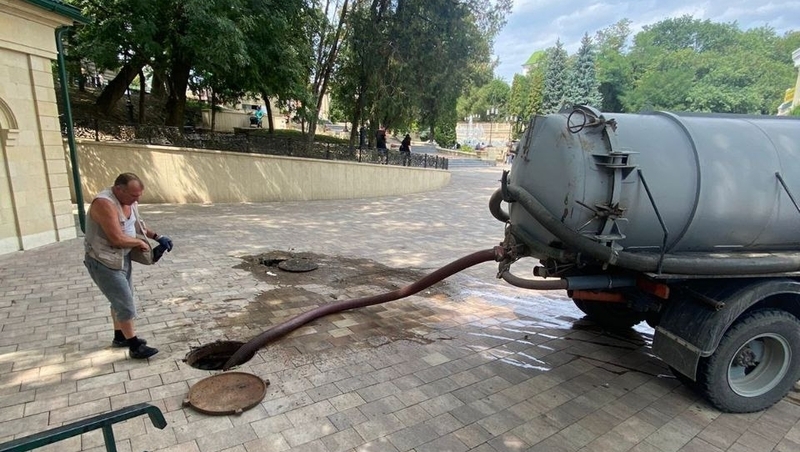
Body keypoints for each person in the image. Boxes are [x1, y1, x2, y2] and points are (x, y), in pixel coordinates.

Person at [84, 173, 173, 359]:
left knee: (121, 299)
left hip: (122, 258)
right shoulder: (104, 204)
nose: (137, 200)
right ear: (119, 189)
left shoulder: (129, 201)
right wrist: (140, 243)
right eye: (134, 195)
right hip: (103, 261)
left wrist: (158, 237)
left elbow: (138, 225)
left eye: (139, 195)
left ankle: (120, 337)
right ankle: (134, 346)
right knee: (125, 304)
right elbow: (116, 238)